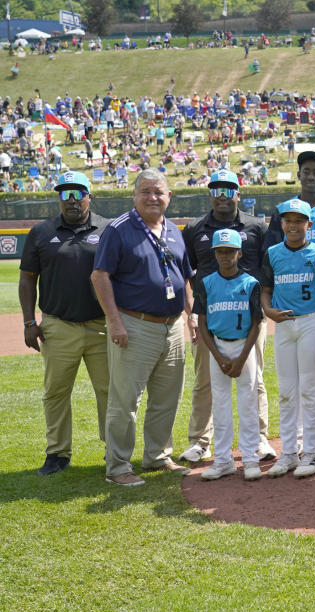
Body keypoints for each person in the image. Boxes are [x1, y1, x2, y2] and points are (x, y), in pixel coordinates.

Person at [91, 168, 195, 487]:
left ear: (169, 197)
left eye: (158, 192)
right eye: (146, 191)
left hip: (173, 324)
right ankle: (118, 465)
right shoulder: (119, 229)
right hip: (135, 324)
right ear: (134, 196)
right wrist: (115, 321)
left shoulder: (174, 230)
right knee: (125, 400)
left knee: (167, 397)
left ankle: (157, 455)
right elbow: (100, 276)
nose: (152, 197)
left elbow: (184, 278)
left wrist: (191, 316)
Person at [19, 171, 109, 476]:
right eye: (65, 193)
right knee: (56, 392)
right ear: (58, 197)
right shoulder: (41, 232)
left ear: (89, 196)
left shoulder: (108, 229)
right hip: (58, 326)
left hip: (102, 327)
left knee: (109, 392)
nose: (71, 200)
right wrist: (29, 321)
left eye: (77, 193)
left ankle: (114, 450)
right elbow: (28, 278)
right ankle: (57, 453)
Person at [179, 169, 273, 464]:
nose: (223, 195)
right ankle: (200, 441)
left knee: (254, 380)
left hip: (250, 317)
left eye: (228, 189)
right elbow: (184, 274)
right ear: (210, 194)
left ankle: (259, 438)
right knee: (205, 381)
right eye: (217, 189)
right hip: (210, 318)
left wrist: (263, 312)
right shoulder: (195, 228)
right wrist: (191, 314)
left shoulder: (256, 225)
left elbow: (266, 270)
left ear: (238, 193)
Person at [260, 199, 315, 478]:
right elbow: (265, 289)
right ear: (281, 223)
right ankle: (290, 452)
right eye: (288, 220)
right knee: (287, 391)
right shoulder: (273, 253)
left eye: (299, 220)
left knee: (310, 389)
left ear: (309, 225)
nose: (293, 225)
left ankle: (313, 453)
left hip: (311, 321)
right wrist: (268, 310)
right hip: (284, 325)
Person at [195, 229, 263, 481]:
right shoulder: (206, 283)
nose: (225, 256)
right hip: (218, 346)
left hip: (244, 346)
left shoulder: (250, 283)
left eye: (230, 251)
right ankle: (223, 461)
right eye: (220, 251)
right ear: (214, 253)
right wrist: (219, 356)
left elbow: (257, 323)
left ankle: (251, 459)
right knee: (221, 406)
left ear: (239, 253)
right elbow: (202, 323)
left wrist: (242, 357)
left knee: (248, 404)